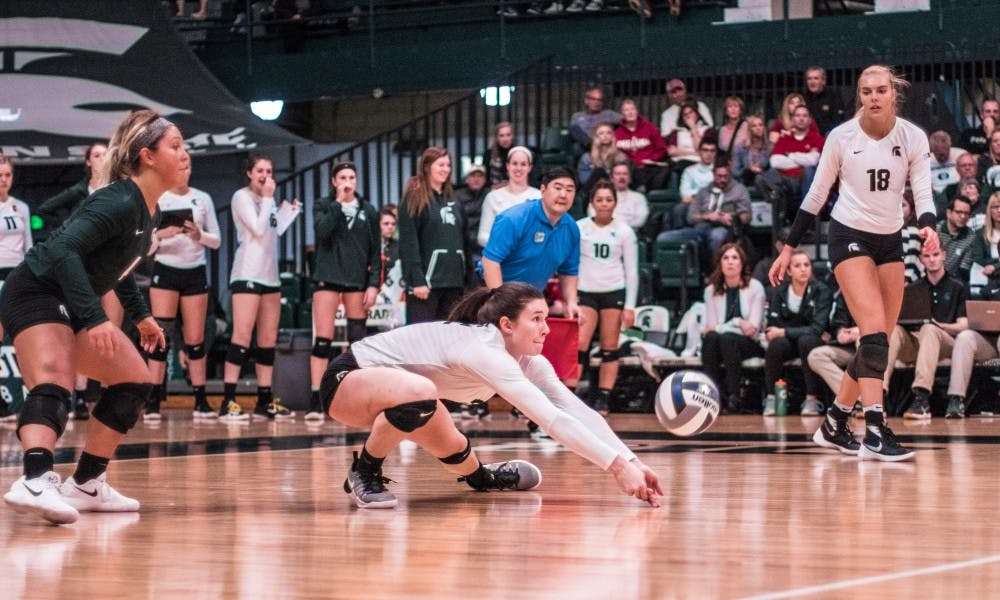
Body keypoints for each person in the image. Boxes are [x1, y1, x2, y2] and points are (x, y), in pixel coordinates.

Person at [319, 282, 663, 508]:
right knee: (421, 393)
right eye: (537, 318)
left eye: (547, 317)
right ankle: (364, 470)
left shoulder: (529, 362)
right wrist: (616, 468)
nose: (546, 327)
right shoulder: (483, 349)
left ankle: (484, 478)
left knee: (453, 444)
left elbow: (575, 410)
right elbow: (552, 421)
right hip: (348, 380)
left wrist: (632, 460)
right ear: (506, 325)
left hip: (411, 397)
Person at [0, 110, 181, 524]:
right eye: (176, 146)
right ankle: (34, 478)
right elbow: (64, 252)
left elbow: (116, 269)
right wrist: (96, 317)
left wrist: (140, 316)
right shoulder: (116, 200)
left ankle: (86, 483)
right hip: (37, 290)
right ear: (148, 156)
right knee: (54, 378)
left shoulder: (147, 212)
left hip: (72, 299)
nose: (184, 155)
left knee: (135, 380)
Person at [770, 65, 940, 462]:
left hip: (891, 239)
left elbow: (924, 193)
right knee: (875, 334)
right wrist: (787, 248)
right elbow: (815, 197)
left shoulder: (912, 137)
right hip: (848, 235)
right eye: (866, 92)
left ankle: (834, 423)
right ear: (859, 95)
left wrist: (929, 225)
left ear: (893, 93)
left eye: (881, 90)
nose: (874, 98)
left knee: (876, 339)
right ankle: (875, 430)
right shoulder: (842, 137)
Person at [222, 155, 302, 422]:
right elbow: (256, 229)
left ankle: (264, 400)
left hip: (270, 276)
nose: (265, 175)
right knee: (242, 337)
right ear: (249, 173)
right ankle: (228, 400)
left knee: (267, 341)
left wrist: (287, 214)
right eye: (260, 171)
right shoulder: (240, 197)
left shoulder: (266, 200)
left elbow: (272, 231)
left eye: (269, 170)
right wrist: (268, 199)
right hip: (247, 273)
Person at [308, 161, 381, 421]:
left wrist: (373, 284)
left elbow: (375, 251)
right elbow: (322, 232)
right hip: (327, 278)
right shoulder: (323, 206)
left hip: (357, 280)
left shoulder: (368, 210)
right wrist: (338, 205)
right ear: (334, 181)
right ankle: (317, 398)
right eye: (342, 177)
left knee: (357, 340)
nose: (348, 182)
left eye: (352, 177)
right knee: (323, 339)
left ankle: (355, 397)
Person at [145, 181, 221, 421]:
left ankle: (201, 400)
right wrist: (160, 235)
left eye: (187, 165)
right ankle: (153, 401)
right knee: (160, 336)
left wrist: (200, 235)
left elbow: (216, 241)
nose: (183, 169)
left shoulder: (203, 197)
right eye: (179, 164)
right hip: (165, 270)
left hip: (194, 271)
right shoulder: (158, 196)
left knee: (195, 340)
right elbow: (144, 247)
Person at [566, 182, 638, 415]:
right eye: (600, 199)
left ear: (615, 202)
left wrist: (630, 306)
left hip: (613, 291)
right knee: (579, 345)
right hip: (586, 292)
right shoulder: (580, 228)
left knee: (610, 347)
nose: (604, 204)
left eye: (608, 199)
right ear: (592, 202)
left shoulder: (624, 231)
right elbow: (571, 264)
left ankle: (604, 398)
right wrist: (571, 298)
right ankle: (570, 395)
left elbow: (632, 270)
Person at [884, 245, 971, 420]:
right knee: (894, 331)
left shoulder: (958, 286)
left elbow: (964, 325)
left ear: (944, 256)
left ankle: (921, 397)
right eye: (927, 255)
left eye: (936, 254)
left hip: (948, 342)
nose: (932, 259)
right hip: (917, 341)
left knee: (930, 328)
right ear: (921, 259)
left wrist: (940, 325)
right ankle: (878, 395)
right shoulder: (913, 288)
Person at [481, 168, 581, 314]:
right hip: (491, 292)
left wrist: (570, 302)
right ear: (543, 190)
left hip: (530, 299)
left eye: (569, 189)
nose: (563, 194)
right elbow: (490, 261)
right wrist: (499, 301)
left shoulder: (572, 229)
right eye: (557, 188)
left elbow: (569, 271)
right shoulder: (514, 218)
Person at [398, 147, 468, 323]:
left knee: (449, 340)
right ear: (427, 167)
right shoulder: (414, 198)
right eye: (441, 164)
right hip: (426, 285)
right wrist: (417, 280)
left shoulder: (455, 199)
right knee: (423, 342)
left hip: (454, 284)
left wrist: (466, 278)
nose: (446, 169)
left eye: (448, 165)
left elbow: (464, 239)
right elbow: (408, 242)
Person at [762, 250, 832, 416]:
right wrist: (783, 332)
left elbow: (817, 328)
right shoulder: (779, 292)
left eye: (806, 265)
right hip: (789, 342)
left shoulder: (821, 291)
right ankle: (772, 398)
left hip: (812, 342)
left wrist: (784, 331)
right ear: (788, 271)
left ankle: (812, 399)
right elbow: (772, 328)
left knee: (806, 341)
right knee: (776, 344)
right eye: (797, 265)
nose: (803, 269)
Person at [701, 243, 765, 414]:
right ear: (720, 263)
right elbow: (709, 329)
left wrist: (728, 325)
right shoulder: (711, 290)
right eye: (726, 258)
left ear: (742, 263)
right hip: (721, 342)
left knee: (726, 338)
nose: (730, 262)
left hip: (750, 344)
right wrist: (737, 322)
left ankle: (734, 397)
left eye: (734, 258)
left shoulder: (755, 287)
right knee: (712, 338)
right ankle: (713, 396)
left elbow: (753, 328)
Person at [0, 157, 33, 422]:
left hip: (17, 274)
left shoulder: (21, 207)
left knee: (22, 336)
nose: (4, 179)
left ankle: (27, 399)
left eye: (8, 174)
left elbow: (28, 245)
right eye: (0, 174)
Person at [757, 105, 825, 224]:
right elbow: (775, 161)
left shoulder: (817, 139)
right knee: (761, 178)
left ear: (809, 120)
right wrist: (803, 158)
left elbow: (814, 160)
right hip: (786, 180)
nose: (801, 118)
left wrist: (789, 155)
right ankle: (781, 205)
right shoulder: (785, 138)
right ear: (793, 119)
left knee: (809, 170)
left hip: (804, 179)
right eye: (798, 115)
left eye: (804, 116)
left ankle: (806, 218)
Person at [36, 143, 108, 236]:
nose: (102, 159)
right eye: (97, 156)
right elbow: (43, 210)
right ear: (88, 162)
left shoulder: (119, 188)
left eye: (106, 155)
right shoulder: (78, 191)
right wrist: (67, 226)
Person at [477, 146, 540, 248]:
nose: (518, 168)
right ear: (507, 166)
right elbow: (482, 237)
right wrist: (505, 244)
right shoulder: (492, 197)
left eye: (523, 164)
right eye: (514, 163)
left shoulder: (539, 196)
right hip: (501, 259)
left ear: (530, 167)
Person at [615, 99, 670, 193]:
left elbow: (661, 148)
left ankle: (644, 191)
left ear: (637, 111)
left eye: (632, 109)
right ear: (622, 114)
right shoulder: (617, 133)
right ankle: (642, 189)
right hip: (630, 169)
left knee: (663, 170)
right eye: (626, 110)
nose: (630, 112)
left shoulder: (650, 128)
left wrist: (651, 159)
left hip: (649, 166)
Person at [665, 100, 717, 174]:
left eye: (691, 112)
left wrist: (693, 128)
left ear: (697, 114)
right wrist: (694, 153)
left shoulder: (707, 130)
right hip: (678, 163)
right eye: (685, 114)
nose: (688, 116)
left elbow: (700, 148)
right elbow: (671, 151)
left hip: (698, 163)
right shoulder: (676, 132)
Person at [595, 162, 649, 231]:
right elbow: (593, 215)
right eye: (618, 174)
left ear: (629, 178)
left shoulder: (639, 198)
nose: (621, 177)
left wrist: (621, 227)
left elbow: (641, 220)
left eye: (625, 174)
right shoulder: (601, 196)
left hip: (630, 234)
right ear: (611, 178)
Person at [568, 87, 620, 154]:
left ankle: (593, 144)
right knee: (573, 129)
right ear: (586, 101)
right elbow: (574, 134)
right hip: (585, 147)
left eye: (599, 100)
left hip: (603, 145)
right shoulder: (577, 116)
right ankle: (591, 144)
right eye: (593, 99)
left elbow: (627, 120)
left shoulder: (609, 114)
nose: (596, 102)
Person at [937, 196, 975, 282]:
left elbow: (964, 270)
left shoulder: (970, 237)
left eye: (966, 213)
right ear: (948, 213)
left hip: (954, 283)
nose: (963, 216)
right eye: (959, 212)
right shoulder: (935, 232)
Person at [578, 122, 626, 187]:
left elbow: (623, 179)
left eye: (608, 133)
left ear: (613, 136)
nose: (605, 136)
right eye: (601, 133)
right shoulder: (587, 157)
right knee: (599, 171)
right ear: (595, 137)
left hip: (614, 188)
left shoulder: (620, 156)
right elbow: (584, 180)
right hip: (593, 189)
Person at [971, 192, 1000, 299]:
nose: (999, 210)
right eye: (995, 207)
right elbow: (978, 259)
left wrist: (995, 267)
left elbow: (990, 264)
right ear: (989, 210)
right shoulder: (980, 233)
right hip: (987, 277)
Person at [802, 66, 846, 136]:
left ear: (823, 81)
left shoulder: (833, 96)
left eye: (816, 78)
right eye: (809, 79)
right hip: (809, 138)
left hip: (829, 137)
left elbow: (839, 120)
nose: (812, 82)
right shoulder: (803, 98)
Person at [456, 164, 488, 255]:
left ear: (485, 180)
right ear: (467, 179)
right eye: (473, 176)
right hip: (463, 245)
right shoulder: (457, 196)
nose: (476, 179)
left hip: (484, 247)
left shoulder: (491, 196)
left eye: (480, 176)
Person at [732, 115, 772, 188]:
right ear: (749, 129)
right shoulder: (740, 148)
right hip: (745, 182)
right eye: (754, 126)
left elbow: (773, 172)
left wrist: (760, 172)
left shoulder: (769, 148)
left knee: (759, 178)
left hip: (765, 183)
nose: (758, 128)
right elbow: (735, 172)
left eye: (760, 125)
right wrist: (748, 169)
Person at [486, 122, 515, 188]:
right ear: (497, 137)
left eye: (508, 135)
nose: (505, 139)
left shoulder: (518, 153)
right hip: (495, 191)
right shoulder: (489, 154)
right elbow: (485, 177)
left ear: (512, 136)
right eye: (501, 135)